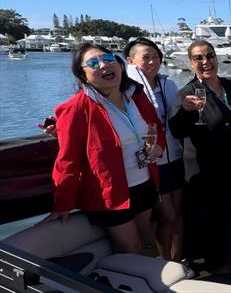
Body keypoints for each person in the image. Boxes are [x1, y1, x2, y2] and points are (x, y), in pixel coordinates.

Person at [41, 43, 164, 254]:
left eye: (108, 59)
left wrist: (158, 148)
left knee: (142, 241)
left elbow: (156, 128)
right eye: (93, 63)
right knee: (131, 247)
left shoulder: (136, 95)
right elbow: (67, 159)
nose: (103, 65)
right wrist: (62, 203)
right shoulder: (77, 108)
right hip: (110, 194)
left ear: (119, 64)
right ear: (83, 74)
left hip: (144, 183)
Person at [169, 40, 231, 273]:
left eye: (210, 56)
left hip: (227, 165)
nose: (205, 61)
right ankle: (209, 265)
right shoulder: (186, 93)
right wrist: (187, 111)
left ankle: (218, 258)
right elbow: (177, 129)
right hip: (201, 168)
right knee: (203, 218)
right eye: (198, 58)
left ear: (217, 59)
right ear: (191, 63)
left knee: (221, 213)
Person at [124, 38, 185, 261]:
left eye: (156, 56)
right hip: (151, 163)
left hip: (174, 157)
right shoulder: (126, 90)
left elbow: (177, 115)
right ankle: (164, 263)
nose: (153, 62)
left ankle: (177, 261)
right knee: (167, 215)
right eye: (146, 57)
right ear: (130, 61)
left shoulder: (167, 84)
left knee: (178, 213)